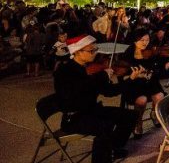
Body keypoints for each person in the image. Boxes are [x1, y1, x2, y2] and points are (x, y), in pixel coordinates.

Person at [53, 34, 138, 162]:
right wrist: (101, 76)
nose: (95, 53)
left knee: (130, 116)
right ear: (77, 51)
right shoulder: (64, 71)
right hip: (74, 116)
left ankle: (113, 147)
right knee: (105, 126)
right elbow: (75, 93)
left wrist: (130, 80)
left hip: (92, 110)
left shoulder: (92, 70)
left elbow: (109, 92)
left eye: (95, 50)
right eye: (91, 51)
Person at [121, 28, 169, 138]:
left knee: (159, 96)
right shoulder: (127, 55)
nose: (145, 43)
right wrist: (135, 75)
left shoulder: (152, 53)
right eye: (141, 40)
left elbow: (163, 68)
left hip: (150, 83)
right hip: (135, 85)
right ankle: (138, 122)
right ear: (134, 41)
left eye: (147, 40)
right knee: (141, 100)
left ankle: (154, 113)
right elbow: (123, 76)